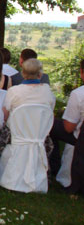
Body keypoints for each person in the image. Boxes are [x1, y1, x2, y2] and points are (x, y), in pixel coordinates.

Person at [0, 58, 55, 169]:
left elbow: (5, 116)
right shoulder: (48, 92)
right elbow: (49, 115)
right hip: (38, 134)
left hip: (15, 134)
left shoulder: (14, 91)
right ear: (40, 74)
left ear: (23, 74)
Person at [48, 59, 84, 192]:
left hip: (79, 138)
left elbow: (69, 127)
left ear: (81, 72)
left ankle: (54, 165)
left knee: (50, 126)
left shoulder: (79, 94)